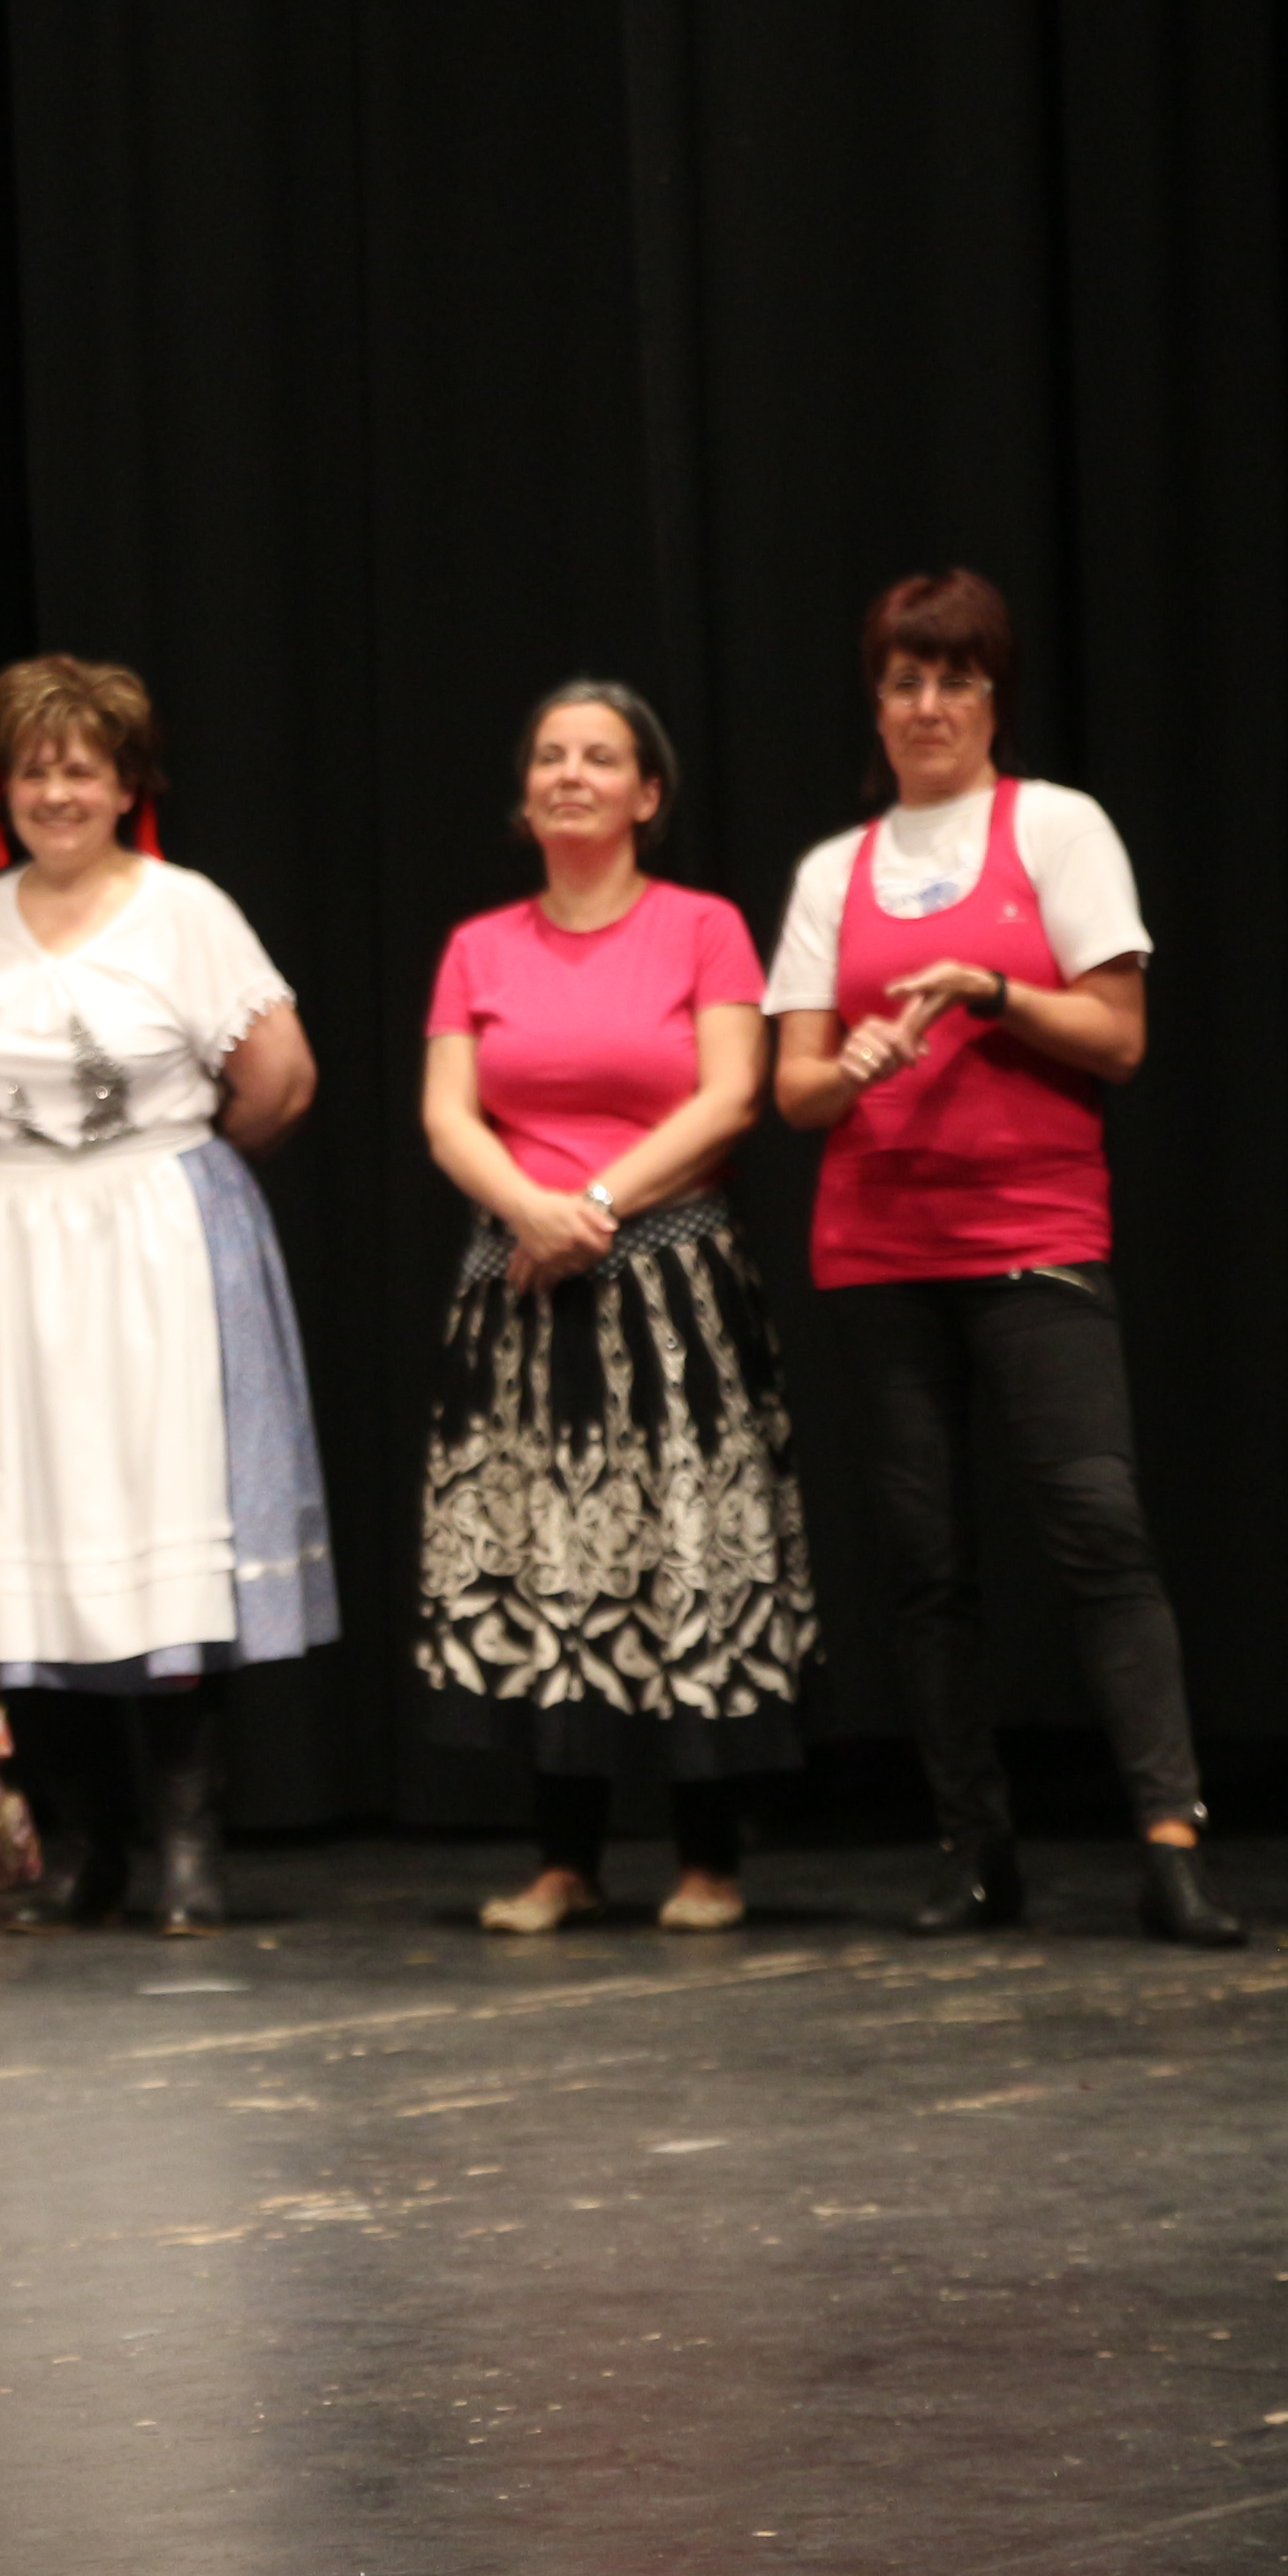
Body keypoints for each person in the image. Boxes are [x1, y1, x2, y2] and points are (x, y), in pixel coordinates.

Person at [766, 568, 1243, 1949]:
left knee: (1099, 1530)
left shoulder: (1056, 828)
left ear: (993, 699)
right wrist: (852, 1069)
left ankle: (1171, 1846)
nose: (929, 705)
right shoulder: (831, 872)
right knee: (925, 1564)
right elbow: (795, 1092)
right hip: (879, 1249)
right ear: (877, 704)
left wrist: (991, 990)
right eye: (905, 681)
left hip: (1034, 1233)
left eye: (955, 680)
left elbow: (1120, 1038)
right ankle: (974, 1851)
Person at [0, 655, 330, 1936]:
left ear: (128, 785)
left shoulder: (186, 912)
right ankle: (79, 1848)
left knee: (155, 1525)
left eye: (81, 770)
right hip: (2, 1250)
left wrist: (160, 1166)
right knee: (25, 1529)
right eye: (35, 771)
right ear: (4, 787)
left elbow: (281, 1080)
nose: (57, 794)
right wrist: (20, 1153)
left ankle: (187, 1850)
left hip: (151, 1245)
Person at [418, 681, 812, 1934]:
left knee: (686, 1550)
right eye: (550, 757)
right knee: (548, 1555)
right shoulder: (481, 947)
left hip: (673, 1282)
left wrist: (587, 1206)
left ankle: (707, 1859)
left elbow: (731, 1096)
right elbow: (448, 1115)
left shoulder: (703, 927)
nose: (570, 775)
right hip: (522, 1289)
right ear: (525, 794)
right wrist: (526, 1213)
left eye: (599, 757)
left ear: (648, 794)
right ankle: (563, 1860)